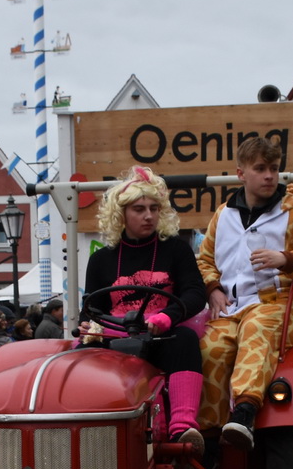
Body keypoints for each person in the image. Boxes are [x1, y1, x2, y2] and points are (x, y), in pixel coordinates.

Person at [196, 136, 293, 448]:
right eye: (260, 168)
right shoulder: (222, 215)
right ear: (241, 173)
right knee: (209, 350)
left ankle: (244, 411)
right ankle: (210, 439)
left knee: (257, 330)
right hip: (231, 308)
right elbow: (204, 261)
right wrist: (213, 289)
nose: (269, 175)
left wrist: (287, 260)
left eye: (274, 168)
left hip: (281, 303)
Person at [80, 168, 207, 448]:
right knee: (78, 355)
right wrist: (87, 325)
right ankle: (85, 431)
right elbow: (91, 306)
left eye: (154, 208)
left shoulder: (176, 249)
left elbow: (196, 294)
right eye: (139, 209)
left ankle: (183, 430)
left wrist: (167, 317)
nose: (148, 216)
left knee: (185, 340)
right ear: (121, 214)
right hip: (116, 336)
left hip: (163, 334)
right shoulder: (101, 259)